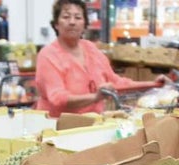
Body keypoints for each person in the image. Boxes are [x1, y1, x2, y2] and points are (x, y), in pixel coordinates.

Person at [35, 0, 168, 117]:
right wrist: (95, 97)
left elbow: (117, 82)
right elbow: (57, 99)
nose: (72, 22)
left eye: (78, 17)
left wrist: (154, 84)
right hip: (57, 129)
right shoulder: (48, 55)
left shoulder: (91, 49)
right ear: (56, 24)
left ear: (84, 24)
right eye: (66, 17)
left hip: (93, 125)